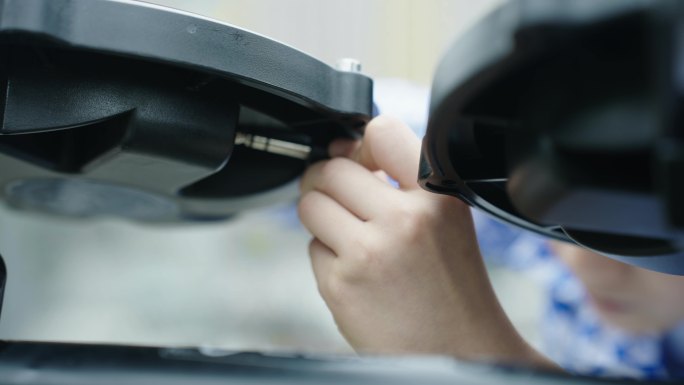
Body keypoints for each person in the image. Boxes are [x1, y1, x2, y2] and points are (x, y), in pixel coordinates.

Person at [297, 115, 684, 380]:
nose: (584, 261)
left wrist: (469, 352)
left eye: (647, 229)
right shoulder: (531, 224)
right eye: (565, 215)